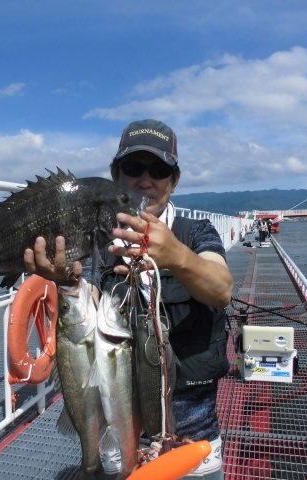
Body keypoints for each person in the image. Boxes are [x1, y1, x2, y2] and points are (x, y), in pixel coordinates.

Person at [24, 119, 233, 479]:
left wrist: (177, 256)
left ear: (174, 180)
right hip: (118, 442)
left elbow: (221, 289)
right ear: (115, 176)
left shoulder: (196, 232)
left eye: (160, 169)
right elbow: (81, 312)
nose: (146, 180)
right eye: (134, 168)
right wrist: (66, 282)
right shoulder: (92, 243)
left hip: (191, 441)